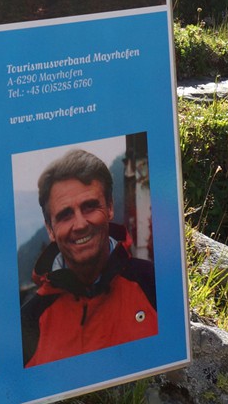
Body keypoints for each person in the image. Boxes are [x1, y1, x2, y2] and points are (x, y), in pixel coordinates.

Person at [20, 148, 157, 366]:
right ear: (50, 229)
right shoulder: (28, 323)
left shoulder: (153, 284)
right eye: (65, 215)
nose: (80, 224)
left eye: (89, 207)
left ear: (110, 207)